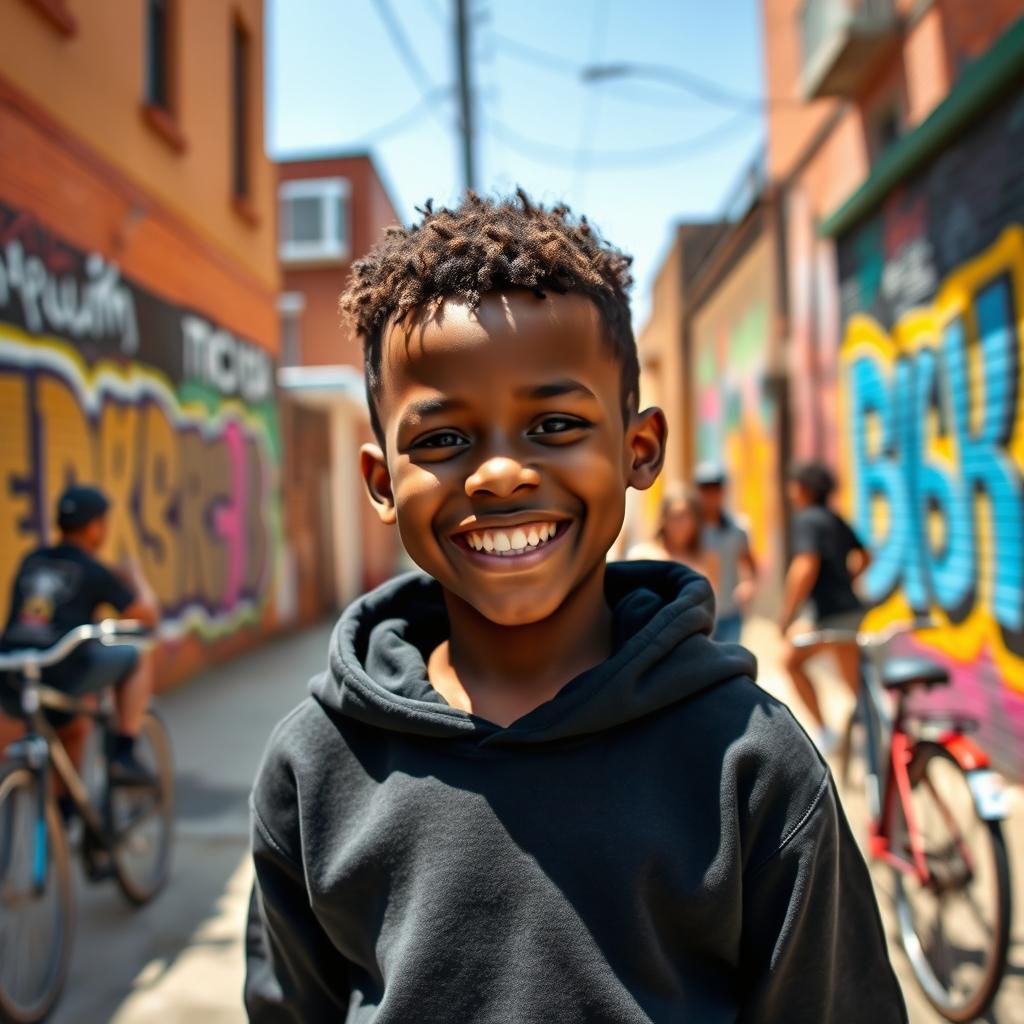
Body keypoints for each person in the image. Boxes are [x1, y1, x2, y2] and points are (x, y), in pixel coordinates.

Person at [245, 192, 905, 1023]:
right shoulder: (315, 767)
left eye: (554, 423)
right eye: (443, 440)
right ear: (382, 483)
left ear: (638, 450)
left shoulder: (752, 765)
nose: (498, 475)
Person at [1, 485, 160, 785]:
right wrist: (136, 577)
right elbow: (147, 616)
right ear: (93, 527)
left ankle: (66, 813)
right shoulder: (93, 570)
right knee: (138, 655)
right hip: (63, 670)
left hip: (12, 675)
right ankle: (124, 751)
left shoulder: (31, 561)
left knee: (72, 728)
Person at [778, 461, 871, 756]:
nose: (791, 492)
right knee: (856, 683)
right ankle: (874, 737)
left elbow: (805, 566)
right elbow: (866, 555)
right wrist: (848, 580)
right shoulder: (834, 518)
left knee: (790, 662)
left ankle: (827, 732)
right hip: (849, 610)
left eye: (794, 486)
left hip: (831, 615)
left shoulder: (806, 520)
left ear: (804, 489)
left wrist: (787, 615)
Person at [694, 461, 757, 643]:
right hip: (699, 612)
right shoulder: (690, 529)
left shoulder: (738, 529)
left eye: (715, 488)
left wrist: (749, 584)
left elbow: (750, 565)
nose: (710, 495)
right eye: (705, 489)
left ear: (723, 491)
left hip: (730, 611)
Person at [626, 484, 718, 593]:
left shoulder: (707, 559)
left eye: (687, 517)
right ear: (663, 519)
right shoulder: (642, 556)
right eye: (676, 516)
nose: (681, 524)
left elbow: (711, 602)